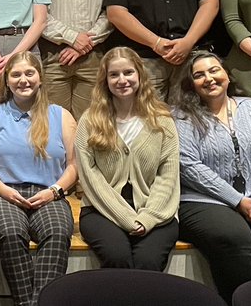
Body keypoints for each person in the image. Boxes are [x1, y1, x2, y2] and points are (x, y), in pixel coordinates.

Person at [173, 52, 251, 303]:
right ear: (191, 84)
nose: (208, 78)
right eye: (199, 75)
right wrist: (238, 201)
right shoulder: (180, 116)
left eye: (214, 70)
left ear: (227, 75)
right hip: (203, 200)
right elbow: (188, 165)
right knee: (234, 238)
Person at [0, 52, 76, 306]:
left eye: (29, 73)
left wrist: (55, 191)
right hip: (1, 193)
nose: (24, 80)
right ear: (7, 81)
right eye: (16, 74)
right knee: (11, 232)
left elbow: (75, 166)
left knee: (57, 232)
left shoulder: (61, 116)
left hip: (49, 193)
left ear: (40, 77)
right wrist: (4, 191)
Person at [76, 48, 179, 271]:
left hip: (156, 210)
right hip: (100, 209)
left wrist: (148, 217)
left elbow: (167, 175)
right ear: (105, 80)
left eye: (128, 72)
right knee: (117, 258)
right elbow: (89, 175)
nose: (122, 80)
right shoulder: (90, 121)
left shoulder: (162, 120)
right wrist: (125, 218)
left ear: (140, 75)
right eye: (114, 75)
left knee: (147, 263)